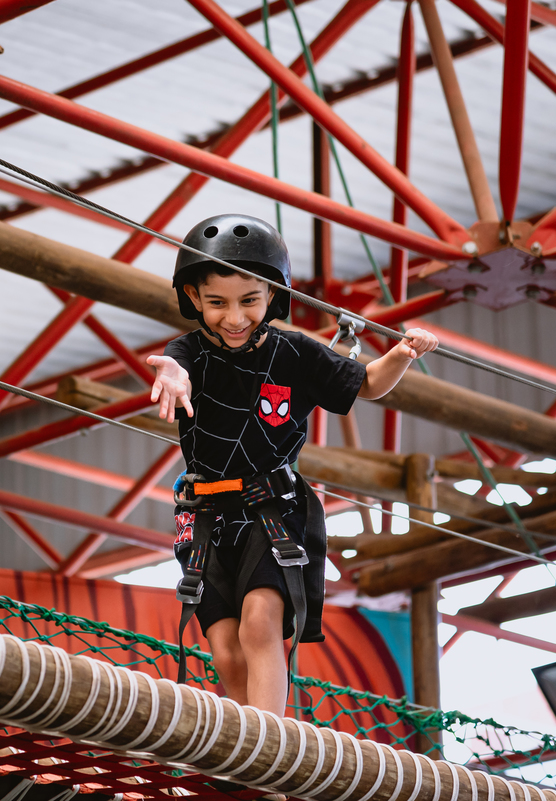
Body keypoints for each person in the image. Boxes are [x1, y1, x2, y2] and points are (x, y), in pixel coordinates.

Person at [147, 214, 438, 715]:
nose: (234, 317)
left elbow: (366, 383)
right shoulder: (188, 350)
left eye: (249, 302)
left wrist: (403, 354)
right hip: (204, 514)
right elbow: (176, 364)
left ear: (272, 296)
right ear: (193, 298)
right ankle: (250, 748)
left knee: (260, 623)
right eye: (216, 303)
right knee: (223, 649)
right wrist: (172, 375)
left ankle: (266, 752)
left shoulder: (295, 352)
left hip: (272, 507)